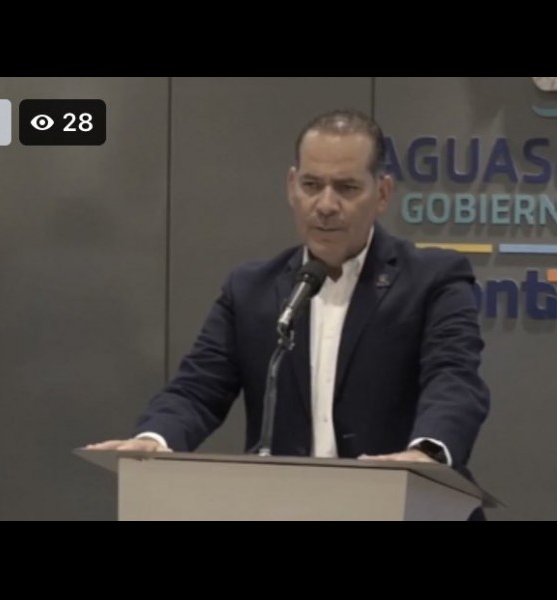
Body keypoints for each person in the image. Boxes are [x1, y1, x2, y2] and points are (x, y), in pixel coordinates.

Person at [88, 108, 490, 499]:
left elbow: (453, 378)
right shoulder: (251, 290)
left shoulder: (432, 278)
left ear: (382, 193)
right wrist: (155, 438)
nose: (326, 205)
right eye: (312, 185)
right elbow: (198, 389)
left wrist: (426, 454)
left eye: (346, 188)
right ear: (291, 186)